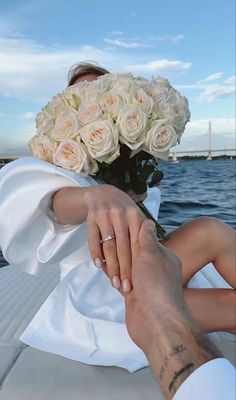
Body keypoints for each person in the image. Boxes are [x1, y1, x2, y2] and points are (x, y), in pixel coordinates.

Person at [0, 62, 235, 373]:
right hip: (104, 297)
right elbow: (53, 204)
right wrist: (93, 196)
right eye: (81, 95)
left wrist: (125, 184)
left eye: (98, 91)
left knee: (211, 229)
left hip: (148, 271)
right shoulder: (62, 176)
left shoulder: (133, 173)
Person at [122, 219, 236, 399]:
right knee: (210, 232)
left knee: (210, 232)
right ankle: (146, 307)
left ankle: (147, 306)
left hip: (131, 272)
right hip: (109, 286)